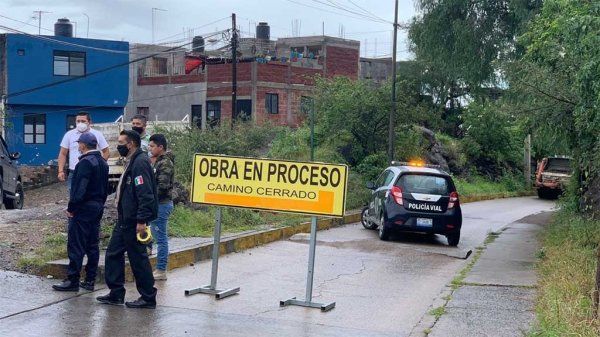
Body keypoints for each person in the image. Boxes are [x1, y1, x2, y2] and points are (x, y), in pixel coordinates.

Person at [96, 130, 158, 309]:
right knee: (113, 254)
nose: (119, 145)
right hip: (124, 219)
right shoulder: (132, 161)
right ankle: (116, 293)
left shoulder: (140, 163)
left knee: (138, 259)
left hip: (133, 221)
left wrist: (141, 220)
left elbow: (145, 194)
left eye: (122, 142)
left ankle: (148, 297)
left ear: (131, 144)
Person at [52, 133, 109, 292]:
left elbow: (79, 190)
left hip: (83, 208)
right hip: (97, 206)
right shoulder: (103, 163)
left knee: (76, 244)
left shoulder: (84, 163)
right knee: (92, 244)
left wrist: (71, 209)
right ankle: (90, 280)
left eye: (79, 144)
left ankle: (73, 280)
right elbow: (106, 188)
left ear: (83, 145)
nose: (78, 146)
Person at [58, 111, 110, 191]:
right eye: (78, 121)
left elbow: (106, 151)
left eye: (83, 121)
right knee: (74, 197)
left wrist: (99, 165)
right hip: (74, 172)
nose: (80, 123)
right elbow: (63, 153)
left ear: (89, 122)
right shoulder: (69, 135)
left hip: (92, 171)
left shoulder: (97, 134)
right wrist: (60, 171)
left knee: (92, 195)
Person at [147, 134, 175, 281]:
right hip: (159, 204)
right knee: (158, 236)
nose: (150, 148)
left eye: (152, 146)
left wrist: (149, 201)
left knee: (161, 238)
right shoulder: (158, 162)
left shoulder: (165, 164)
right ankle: (159, 268)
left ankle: (161, 269)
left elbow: (161, 187)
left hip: (161, 205)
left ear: (160, 147)